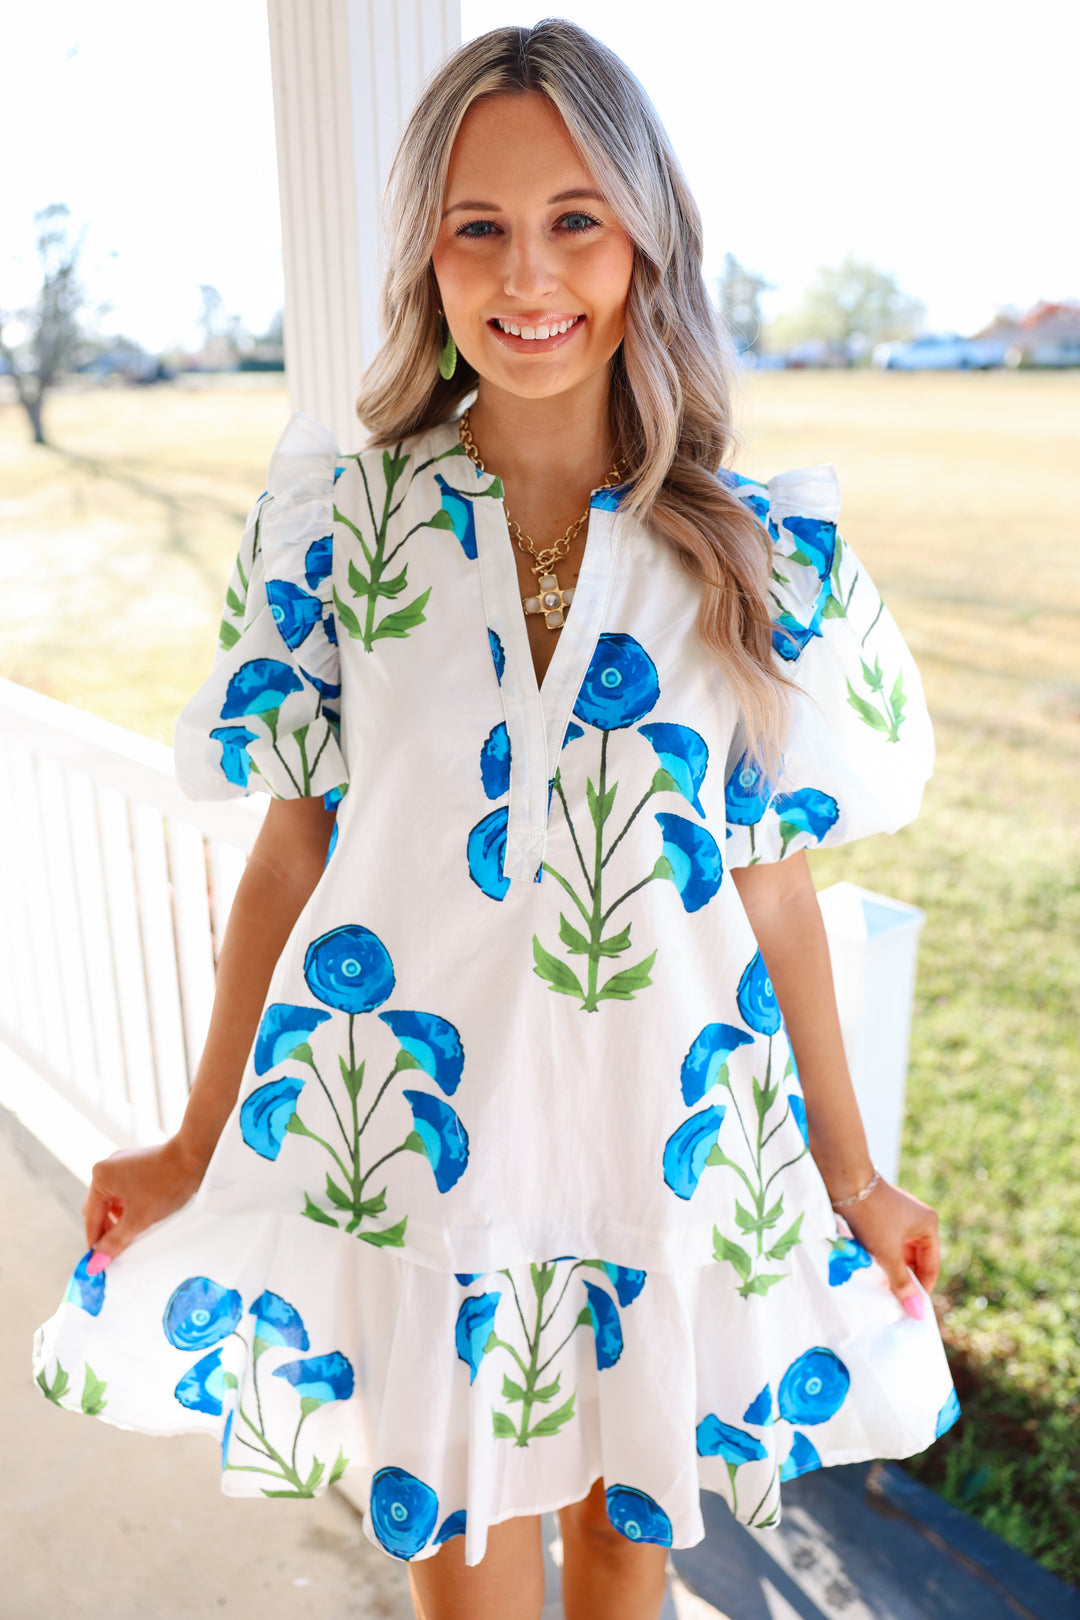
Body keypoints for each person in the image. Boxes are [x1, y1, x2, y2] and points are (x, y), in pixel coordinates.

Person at [35, 20, 959, 1620]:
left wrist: (851, 1175)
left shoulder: (756, 554)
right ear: (429, 256)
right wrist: (193, 1142)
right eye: (481, 226)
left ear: (646, 239)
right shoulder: (341, 529)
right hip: (420, 1148)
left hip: (660, 1145)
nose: (530, 274)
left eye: (574, 219)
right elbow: (293, 852)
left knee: (622, 1540)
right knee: (457, 1541)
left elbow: (779, 889)